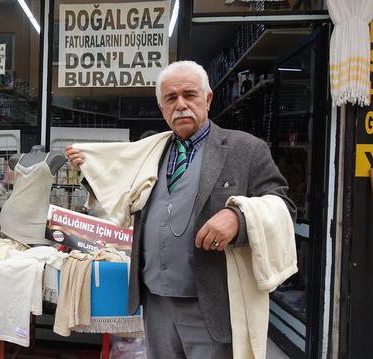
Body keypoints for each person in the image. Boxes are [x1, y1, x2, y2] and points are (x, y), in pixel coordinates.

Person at [65, 61, 296, 358]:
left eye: (190, 95)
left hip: (211, 303)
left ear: (208, 99)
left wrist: (238, 217)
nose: (181, 105)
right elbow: (120, 194)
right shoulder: (149, 153)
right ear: (161, 107)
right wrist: (90, 170)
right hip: (156, 303)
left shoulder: (245, 149)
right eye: (171, 98)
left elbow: (284, 208)